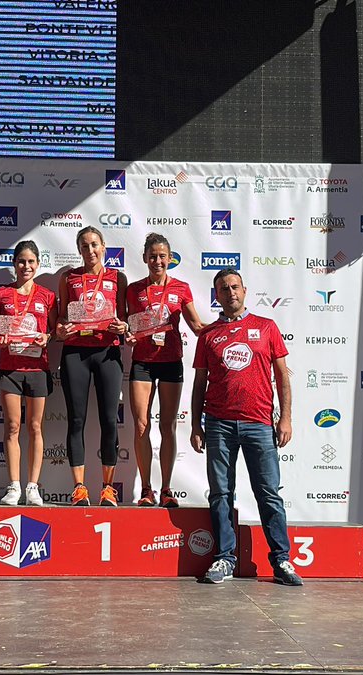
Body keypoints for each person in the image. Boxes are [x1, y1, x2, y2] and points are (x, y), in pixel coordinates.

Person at [189, 268, 303, 586]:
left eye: (234, 287)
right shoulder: (209, 335)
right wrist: (196, 426)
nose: (230, 293)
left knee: (268, 494)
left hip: (259, 424)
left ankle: (281, 560)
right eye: (223, 289)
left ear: (245, 290)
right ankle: (225, 558)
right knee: (221, 493)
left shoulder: (266, 327)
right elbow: (199, 384)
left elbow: (282, 376)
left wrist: (286, 418)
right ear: (217, 296)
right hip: (219, 424)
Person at [125, 233, 206, 507]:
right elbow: (128, 325)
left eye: (162, 256)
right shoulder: (134, 289)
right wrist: (128, 334)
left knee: (168, 425)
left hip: (171, 361)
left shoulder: (181, 288)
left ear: (169, 259)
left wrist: (226, 329)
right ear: (144, 258)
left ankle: (167, 489)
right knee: (140, 425)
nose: (157, 261)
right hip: (143, 363)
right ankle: (146, 489)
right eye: (152, 256)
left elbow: (196, 326)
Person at [55, 226, 128, 506]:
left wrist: (123, 326)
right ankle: (79, 488)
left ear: (104, 246)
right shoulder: (68, 278)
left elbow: (123, 318)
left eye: (95, 245)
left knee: (109, 420)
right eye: (84, 246)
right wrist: (61, 330)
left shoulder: (117, 278)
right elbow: (61, 318)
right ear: (79, 250)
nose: (90, 251)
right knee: (76, 420)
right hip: (75, 353)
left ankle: (108, 488)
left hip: (107, 351)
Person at [0, 241, 57, 506]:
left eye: (30, 262)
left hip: (38, 368)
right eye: (21, 261)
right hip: (10, 368)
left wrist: (46, 337)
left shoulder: (47, 296)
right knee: (13, 426)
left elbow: (55, 331)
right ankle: (14, 486)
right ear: (14, 264)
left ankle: (33, 487)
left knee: (36, 426)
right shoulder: (1, 294)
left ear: (38, 264)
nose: (26, 266)